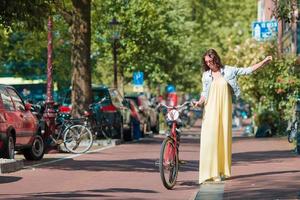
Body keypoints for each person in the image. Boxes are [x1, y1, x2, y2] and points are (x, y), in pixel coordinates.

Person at [194, 49, 272, 184]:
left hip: (224, 109)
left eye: (210, 61)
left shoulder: (228, 71)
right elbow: (204, 93)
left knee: (222, 138)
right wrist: (199, 102)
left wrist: (264, 62)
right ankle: (209, 173)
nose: (208, 64)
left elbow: (247, 70)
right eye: (206, 62)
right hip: (210, 110)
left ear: (216, 59)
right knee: (209, 139)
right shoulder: (206, 75)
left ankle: (220, 171)